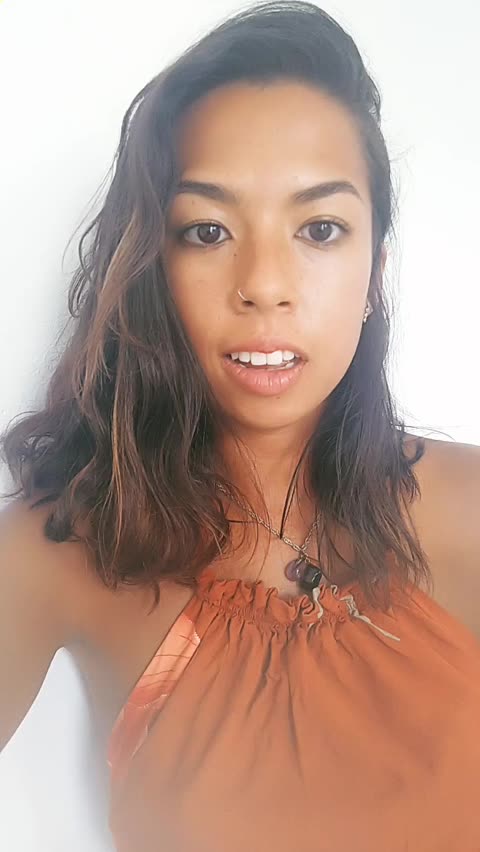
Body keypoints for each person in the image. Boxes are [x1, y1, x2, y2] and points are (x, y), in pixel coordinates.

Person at [1, 1, 480, 850]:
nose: (264, 284)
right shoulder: (62, 551)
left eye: (320, 229)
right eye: (208, 230)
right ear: (152, 266)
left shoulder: (470, 506)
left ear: (376, 272)